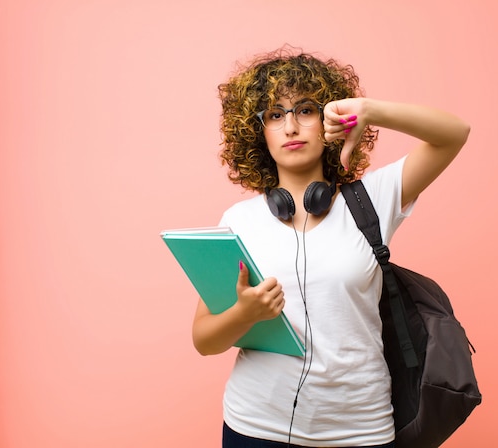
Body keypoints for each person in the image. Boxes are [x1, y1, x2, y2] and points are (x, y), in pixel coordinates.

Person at [192, 46, 470, 448]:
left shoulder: (373, 199)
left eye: (305, 110)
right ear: (258, 133)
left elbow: (453, 134)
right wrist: (243, 313)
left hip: (359, 430)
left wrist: (369, 110)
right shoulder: (239, 220)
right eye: (274, 114)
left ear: (329, 120)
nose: (290, 127)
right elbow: (204, 340)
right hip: (255, 427)